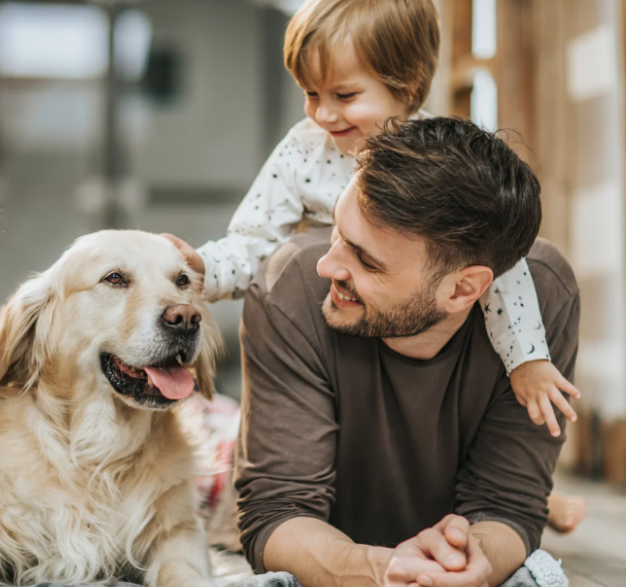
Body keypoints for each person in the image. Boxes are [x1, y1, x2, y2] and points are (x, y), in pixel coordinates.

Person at [164, 0, 585, 531]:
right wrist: (201, 268)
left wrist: (527, 359)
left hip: (412, 343)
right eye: (311, 94)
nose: (322, 114)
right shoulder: (304, 152)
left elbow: (500, 265)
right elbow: (252, 241)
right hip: (336, 346)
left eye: (344, 95)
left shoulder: (441, 167)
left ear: (407, 87)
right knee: (221, 439)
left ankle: (538, 501)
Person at [236, 116, 579, 587]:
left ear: (464, 290)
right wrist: (384, 573)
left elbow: (508, 505)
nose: (328, 266)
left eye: (366, 262)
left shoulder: (545, 298)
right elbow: (276, 514)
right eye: (337, 230)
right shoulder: (291, 288)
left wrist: (470, 566)